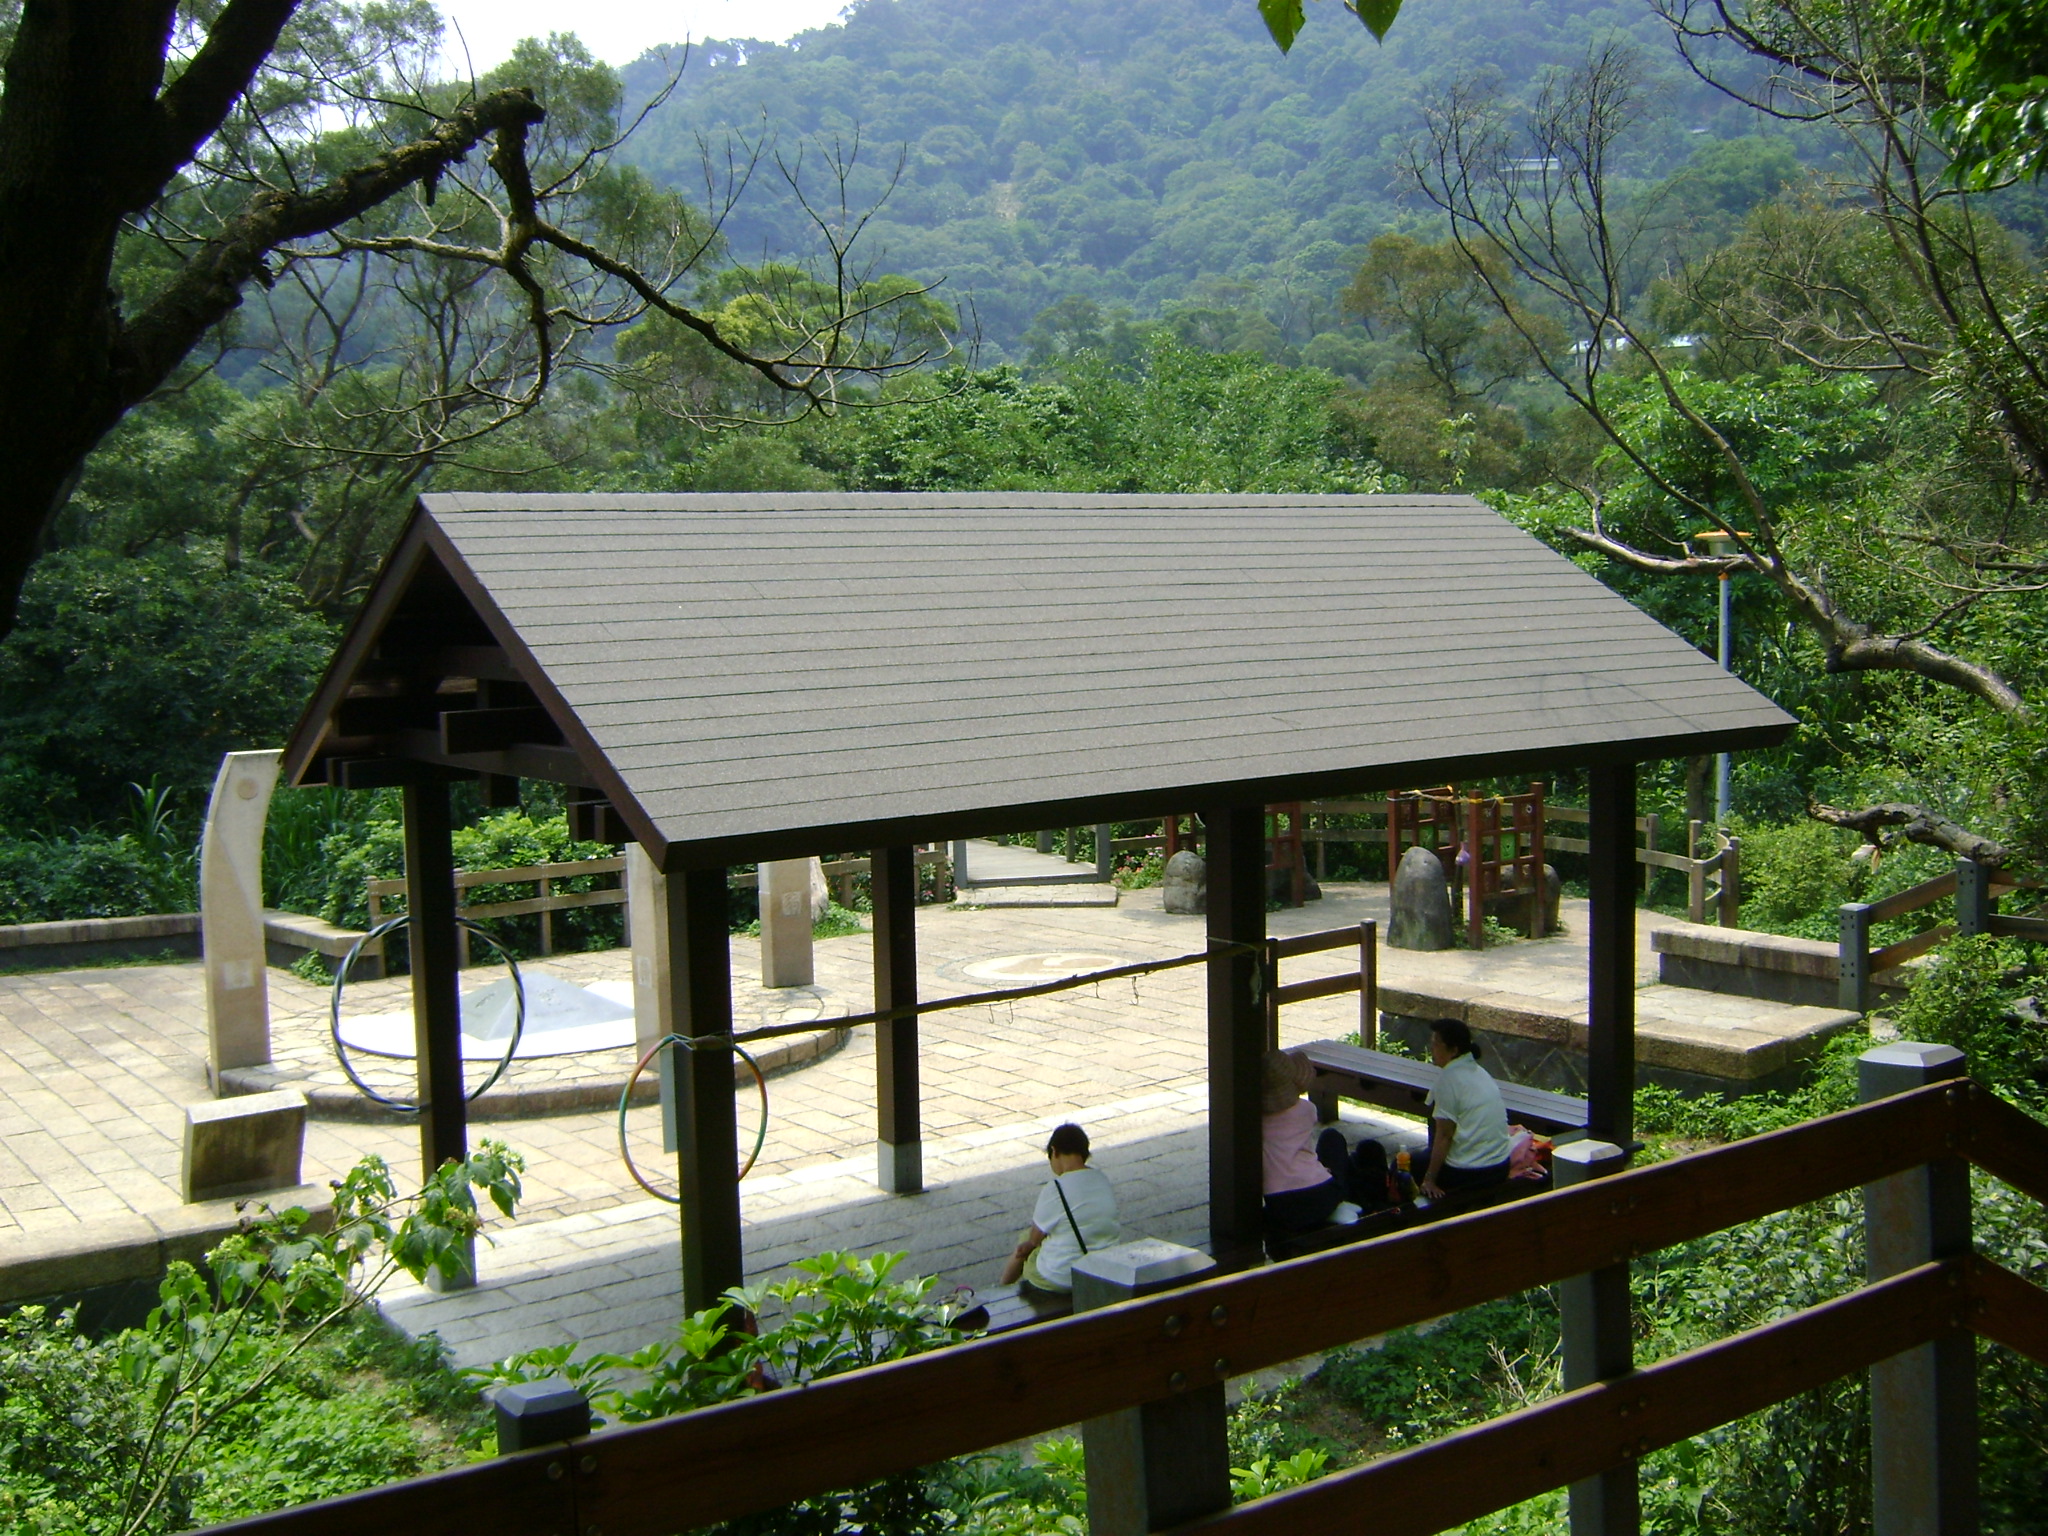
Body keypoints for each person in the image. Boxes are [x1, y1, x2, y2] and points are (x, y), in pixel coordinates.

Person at [1261, 1048, 1388, 1235]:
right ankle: (1353, 1203)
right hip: (1323, 1194)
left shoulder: (1256, 1121)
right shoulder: (1306, 1110)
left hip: (1280, 1204)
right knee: (1332, 1138)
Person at [1000, 1122, 1120, 1293]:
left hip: (1062, 1278)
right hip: (1104, 1270)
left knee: (1026, 1239)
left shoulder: (1056, 1188)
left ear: (1054, 1151)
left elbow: (1034, 1240)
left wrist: (1029, 1245)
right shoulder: (1101, 1179)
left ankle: (1000, 1291)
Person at [1420, 1018, 1514, 1199]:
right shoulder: (1480, 1072)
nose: (1432, 1048)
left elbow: (1445, 1136)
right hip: (1501, 1166)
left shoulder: (1449, 1080)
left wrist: (1429, 1180)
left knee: (1408, 1164)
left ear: (1453, 1050)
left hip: (1470, 1173)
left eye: (1436, 1044)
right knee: (1426, 1155)